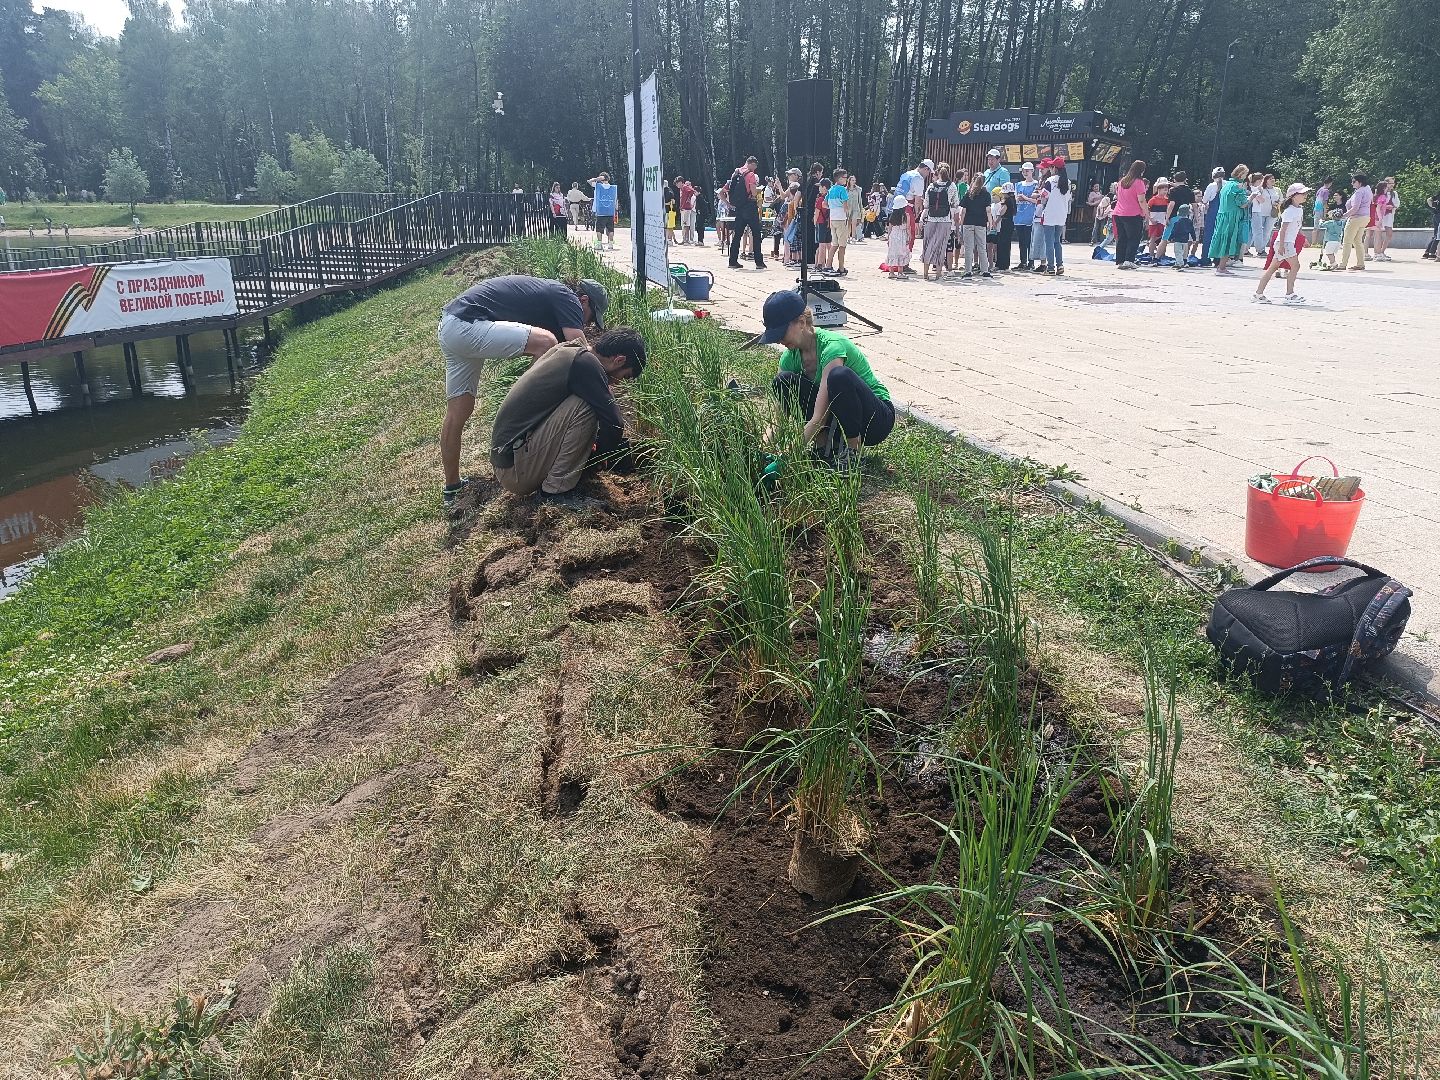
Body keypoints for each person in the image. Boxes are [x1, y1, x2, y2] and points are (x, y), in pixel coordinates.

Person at [438, 275, 609, 506]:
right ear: (585, 300)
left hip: (451, 325)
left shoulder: (549, 296)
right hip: (467, 324)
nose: (586, 324)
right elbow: (579, 350)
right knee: (546, 343)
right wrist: (603, 388)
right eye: (590, 318)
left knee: (459, 412)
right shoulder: (568, 298)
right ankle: (532, 418)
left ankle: (452, 487)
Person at [489, 329, 646, 499]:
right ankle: (555, 491)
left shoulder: (571, 350)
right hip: (516, 470)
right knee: (586, 406)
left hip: (510, 460)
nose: (617, 382)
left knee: (591, 401)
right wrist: (597, 458)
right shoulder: (585, 364)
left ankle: (559, 480)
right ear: (619, 360)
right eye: (624, 376)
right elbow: (615, 424)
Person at [760, 289, 895, 473]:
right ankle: (823, 448)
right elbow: (779, 416)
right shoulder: (789, 357)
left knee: (839, 376)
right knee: (783, 381)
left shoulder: (831, 347)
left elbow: (819, 417)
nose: (779, 340)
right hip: (840, 418)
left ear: (801, 322)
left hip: (874, 420)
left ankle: (853, 452)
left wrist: (787, 457)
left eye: (781, 333)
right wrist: (761, 449)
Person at [1254, 183, 1310, 304]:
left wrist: (1303, 237)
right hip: (1285, 243)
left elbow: (1297, 226)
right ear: (1294, 196)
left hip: (1286, 243)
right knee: (1295, 266)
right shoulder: (1289, 211)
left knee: (1272, 268)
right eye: (1302, 193)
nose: (1305, 195)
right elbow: (1283, 229)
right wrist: (1282, 246)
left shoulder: (1299, 209)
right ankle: (1289, 295)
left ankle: (1259, 293)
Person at [1209, 164, 1251, 276]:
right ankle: (1221, 268)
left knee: (1222, 240)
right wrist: (1251, 197)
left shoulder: (1227, 185)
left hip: (1222, 216)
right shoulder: (1238, 186)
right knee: (1229, 241)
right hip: (1232, 217)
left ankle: (1220, 265)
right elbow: (1242, 204)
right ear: (1241, 174)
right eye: (1245, 174)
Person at [894, 158, 935, 272]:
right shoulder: (918, 178)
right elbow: (917, 200)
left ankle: (896, 261)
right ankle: (904, 263)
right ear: (925, 169)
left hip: (898, 207)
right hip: (908, 207)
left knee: (898, 234)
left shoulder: (907, 174)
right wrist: (917, 214)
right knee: (909, 235)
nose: (928, 175)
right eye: (928, 172)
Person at [920, 162, 959, 281]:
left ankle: (925, 273)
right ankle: (938, 274)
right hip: (945, 219)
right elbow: (955, 203)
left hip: (931, 218)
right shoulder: (951, 186)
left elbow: (926, 204)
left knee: (928, 245)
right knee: (941, 246)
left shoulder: (931, 186)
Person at [727, 156, 766, 269]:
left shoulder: (737, 172)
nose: (754, 169)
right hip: (750, 206)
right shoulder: (750, 174)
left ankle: (732, 261)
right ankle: (759, 262)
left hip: (739, 207)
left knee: (737, 234)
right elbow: (753, 192)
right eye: (755, 166)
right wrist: (757, 193)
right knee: (756, 233)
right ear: (752, 164)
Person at [1036, 158, 1071, 275]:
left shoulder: (1050, 181)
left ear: (1054, 168)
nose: (1050, 169)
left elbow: (1044, 197)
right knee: (1057, 241)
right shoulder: (1068, 182)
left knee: (1049, 242)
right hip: (1061, 215)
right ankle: (1060, 265)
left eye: (1051, 167)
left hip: (1050, 214)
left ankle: (1050, 268)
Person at [1113, 159, 1148, 269]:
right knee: (1134, 237)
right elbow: (1141, 200)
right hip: (1133, 214)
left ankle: (1120, 260)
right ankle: (1129, 260)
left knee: (1122, 237)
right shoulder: (1139, 182)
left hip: (1119, 213)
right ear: (1141, 170)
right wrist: (1146, 213)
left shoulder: (1122, 181)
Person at [958, 174, 994, 278]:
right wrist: (990, 222)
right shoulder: (986, 194)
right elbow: (988, 210)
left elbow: (963, 211)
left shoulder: (969, 193)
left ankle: (968, 271)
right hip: (981, 223)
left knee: (969, 248)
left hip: (968, 222)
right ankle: (985, 270)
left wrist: (961, 223)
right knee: (982, 247)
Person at [1337, 172, 1372, 271]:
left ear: (1360, 182)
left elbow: (1355, 208)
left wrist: (1343, 216)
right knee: (1357, 241)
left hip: (1356, 218)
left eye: (1354, 181)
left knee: (1347, 241)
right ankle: (1360, 263)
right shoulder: (1368, 189)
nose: (1352, 183)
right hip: (1365, 218)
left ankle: (1343, 264)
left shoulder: (1359, 192)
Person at [823, 167, 852, 276]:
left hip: (833, 218)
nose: (846, 179)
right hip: (841, 219)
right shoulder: (842, 190)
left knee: (834, 244)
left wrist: (833, 208)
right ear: (839, 178)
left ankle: (828, 266)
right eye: (845, 177)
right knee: (842, 245)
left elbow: (824, 204)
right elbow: (845, 206)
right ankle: (841, 267)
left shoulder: (831, 190)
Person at [1164, 171, 1196, 270]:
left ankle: (1157, 257)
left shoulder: (1173, 191)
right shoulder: (1190, 191)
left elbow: (1171, 204)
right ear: (1185, 179)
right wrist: (1196, 217)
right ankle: (1184, 260)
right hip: (1186, 216)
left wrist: (1167, 217)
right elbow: (1194, 205)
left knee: (1165, 238)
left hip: (1174, 216)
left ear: (1174, 179)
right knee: (1185, 241)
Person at [1014, 162, 1039, 269]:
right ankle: (1022, 261)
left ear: (1032, 171)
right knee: (1021, 241)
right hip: (1019, 215)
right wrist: (1018, 198)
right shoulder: (1019, 184)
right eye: (1023, 171)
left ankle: (1031, 261)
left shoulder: (1036, 184)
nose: (1025, 173)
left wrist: (1025, 198)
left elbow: (1037, 201)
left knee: (1030, 241)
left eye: (1027, 171)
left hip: (1030, 216)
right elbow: (1015, 198)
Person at [586, 172, 618, 249]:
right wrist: (616, 210)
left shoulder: (598, 186)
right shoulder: (613, 188)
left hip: (601, 211)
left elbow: (589, 181)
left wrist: (597, 179)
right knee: (610, 229)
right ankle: (610, 244)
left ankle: (599, 244)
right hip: (610, 211)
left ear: (602, 178)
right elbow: (616, 200)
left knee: (599, 229)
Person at [1200, 166, 1225, 264]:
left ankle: (1205, 258)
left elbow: (1205, 200)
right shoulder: (1227, 184)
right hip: (1223, 213)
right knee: (1220, 236)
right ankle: (1218, 259)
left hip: (1213, 212)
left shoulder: (1211, 186)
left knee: (1209, 235)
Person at [1373, 177, 1398, 261]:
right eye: (1390, 183)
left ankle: (1382, 251)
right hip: (1380, 215)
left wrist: (1392, 206)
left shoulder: (1394, 193)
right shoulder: (1381, 193)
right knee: (1378, 234)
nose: (1392, 185)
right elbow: (1377, 205)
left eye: (1393, 183)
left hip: (1389, 215)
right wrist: (1385, 206)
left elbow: (1397, 204)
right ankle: (1377, 253)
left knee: (1389, 233)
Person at [883, 197, 909, 277]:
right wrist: (908, 237)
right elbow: (907, 227)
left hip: (893, 234)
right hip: (902, 235)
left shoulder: (892, 215)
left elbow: (889, 228)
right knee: (901, 253)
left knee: (892, 252)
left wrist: (888, 237)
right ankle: (900, 272)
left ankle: (891, 273)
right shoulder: (905, 216)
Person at [1145, 177, 1171, 258]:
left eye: (1167, 189)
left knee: (1164, 237)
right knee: (1153, 238)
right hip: (1154, 221)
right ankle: (1151, 254)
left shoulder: (1167, 200)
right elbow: (1147, 210)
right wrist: (1150, 219)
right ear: (1159, 189)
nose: (1166, 191)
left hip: (1163, 221)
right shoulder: (1153, 200)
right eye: (1164, 189)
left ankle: (1161, 254)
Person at [994, 184, 1016, 271]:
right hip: (1010, 222)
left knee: (1002, 243)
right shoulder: (1013, 200)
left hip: (1005, 222)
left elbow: (1002, 211)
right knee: (1006, 244)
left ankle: (1001, 264)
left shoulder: (1006, 201)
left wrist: (996, 220)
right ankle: (1005, 264)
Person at [678, 175, 697, 244]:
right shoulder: (681, 189)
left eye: (677, 183)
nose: (677, 185)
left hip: (686, 208)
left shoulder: (685, 187)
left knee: (686, 224)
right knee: (684, 224)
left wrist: (688, 199)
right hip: (683, 208)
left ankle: (686, 239)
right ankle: (684, 239)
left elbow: (692, 190)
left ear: (680, 182)